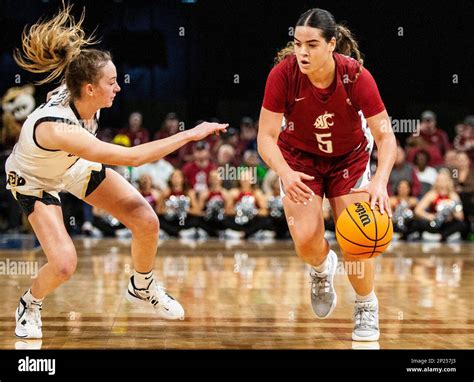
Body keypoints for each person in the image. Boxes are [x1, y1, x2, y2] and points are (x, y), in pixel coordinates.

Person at [6, 4, 227, 339]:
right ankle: (30, 303)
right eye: (111, 82)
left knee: (147, 221)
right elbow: (133, 158)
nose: (119, 87)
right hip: (34, 179)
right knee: (65, 263)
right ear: (91, 88)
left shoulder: (80, 90)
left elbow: (71, 74)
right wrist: (191, 133)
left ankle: (142, 285)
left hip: (71, 163)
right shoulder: (59, 128)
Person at [257, 8, 396, 341]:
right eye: (297, 43)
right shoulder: (283, 75)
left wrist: (379, 181)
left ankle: (366, 304)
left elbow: (386, 136)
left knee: (357, 240)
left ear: (332, 44)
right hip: (299, 160)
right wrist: (285, 173)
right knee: (305, 241)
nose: (302, 52)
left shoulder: (356, 76)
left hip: (348, 159)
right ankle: (321, 270)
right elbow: (265, 137)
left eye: (312, 44)